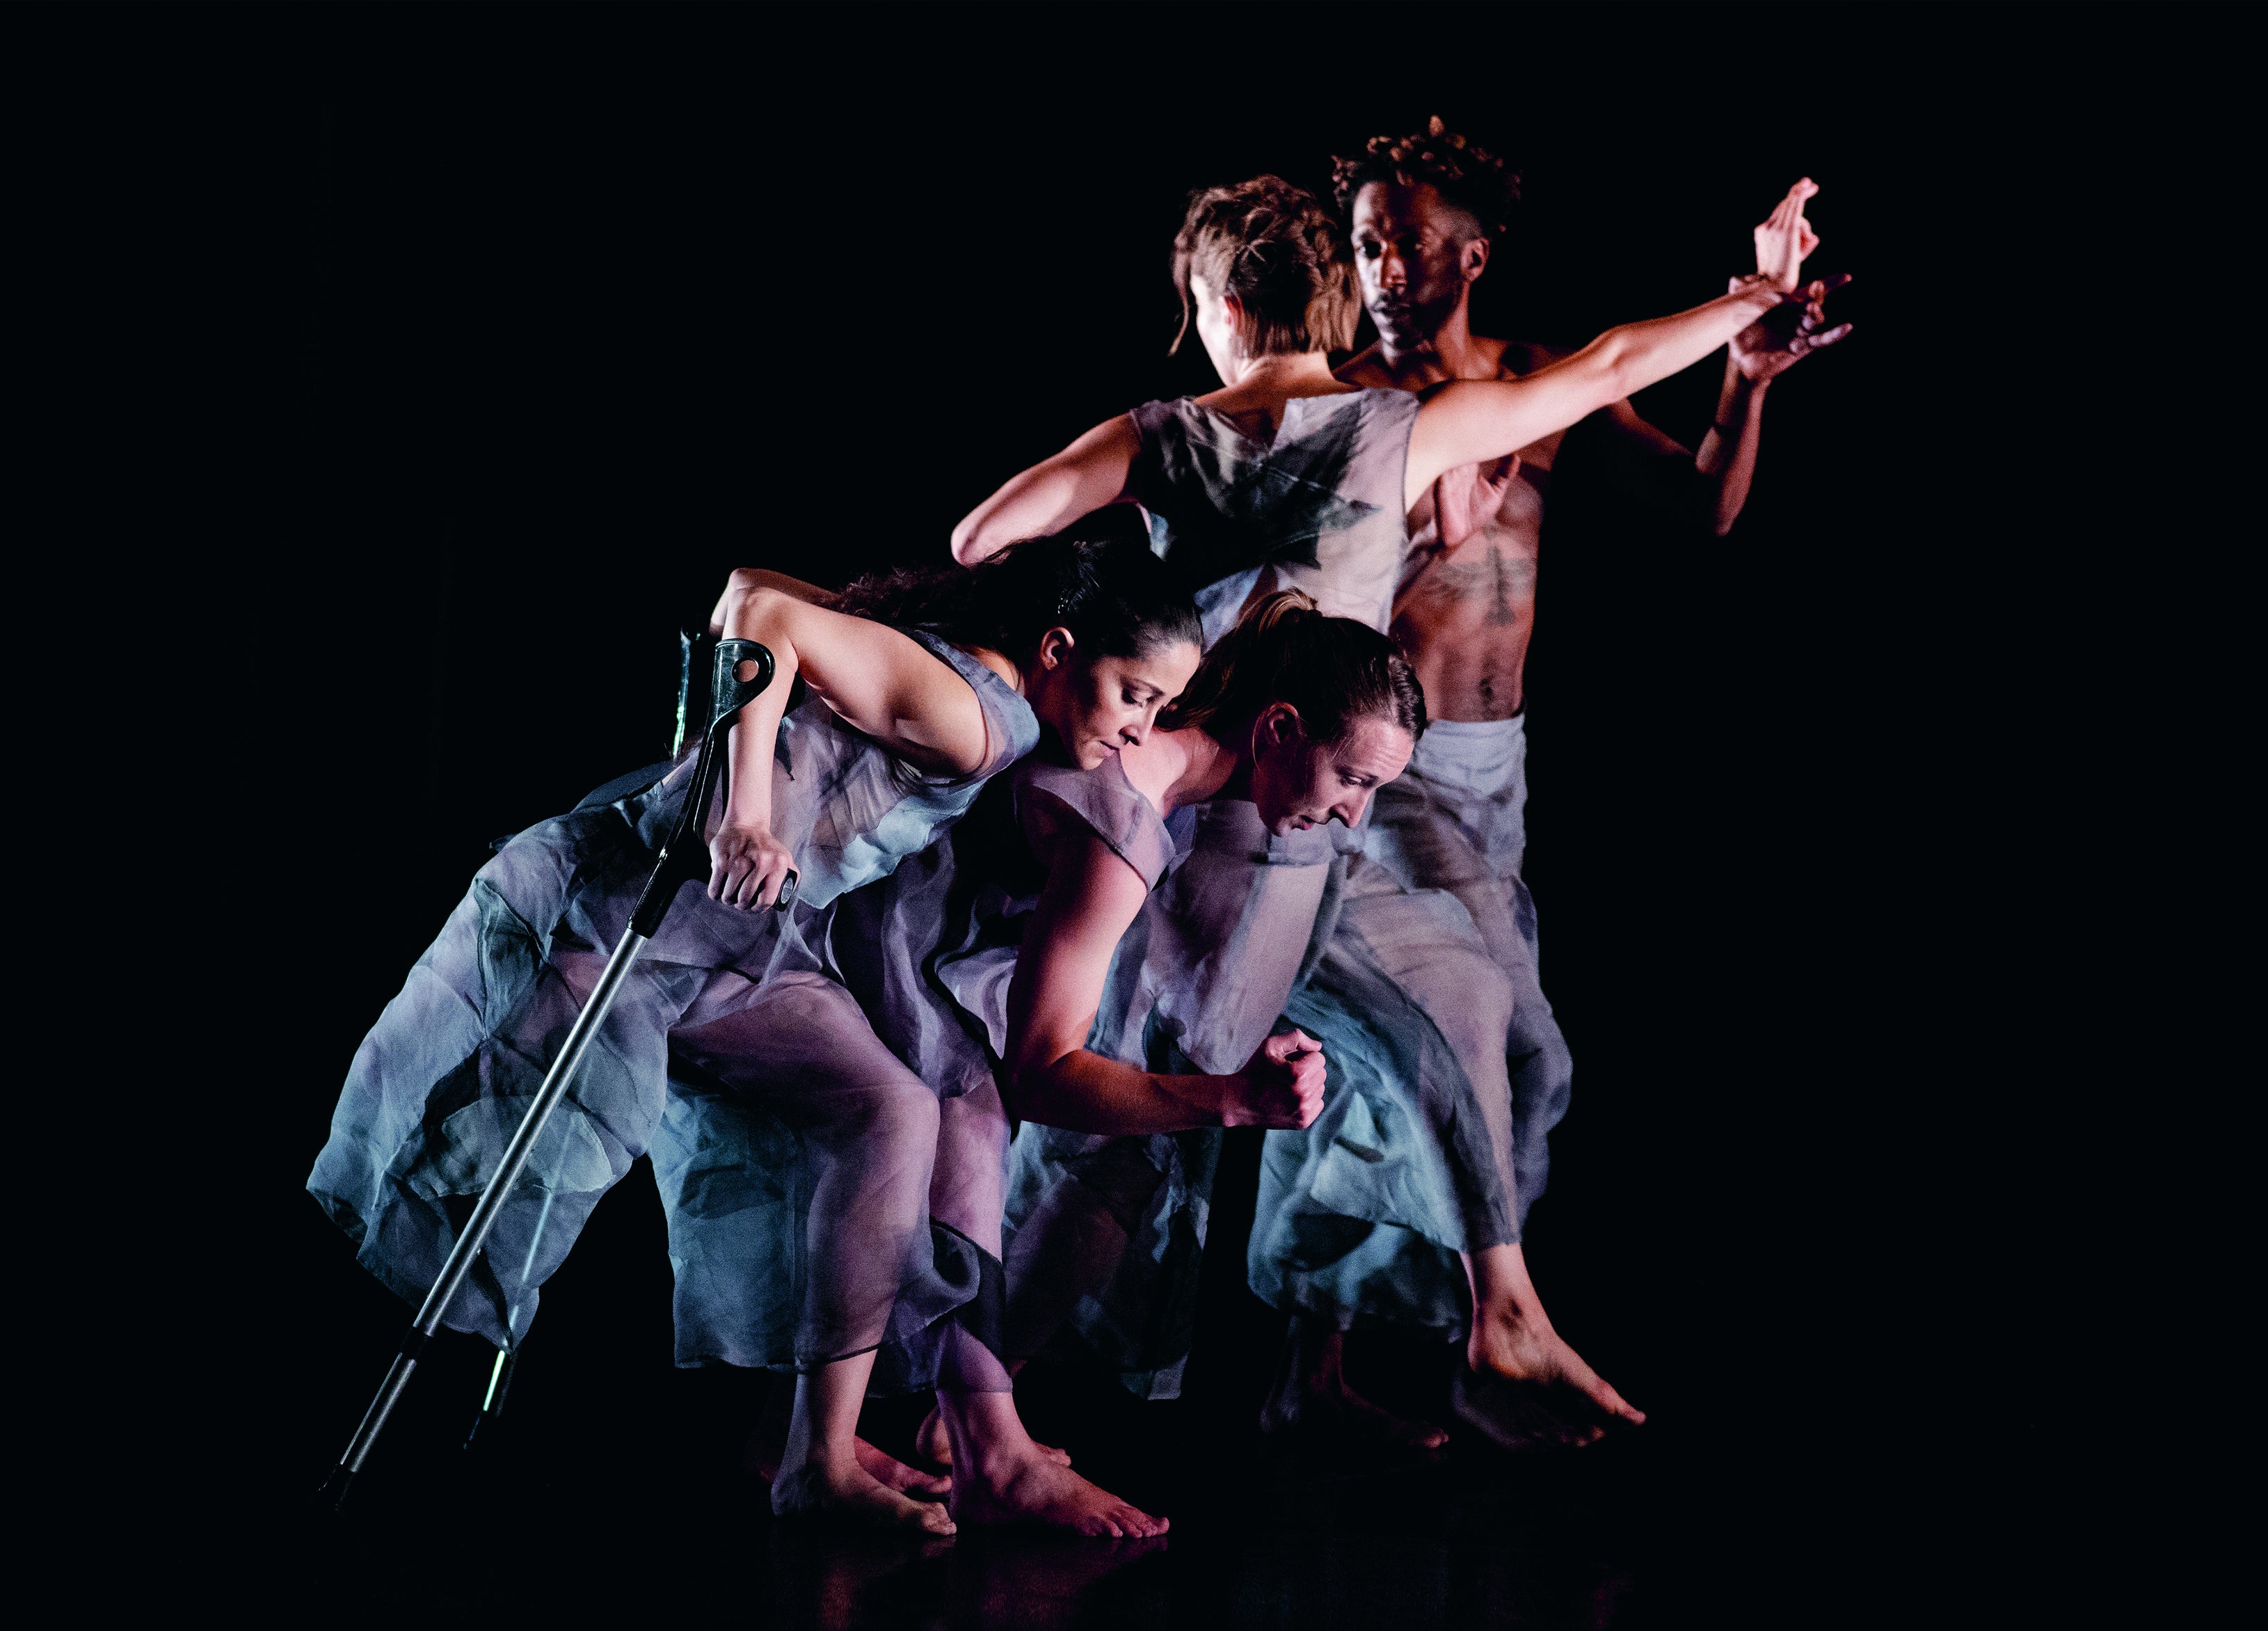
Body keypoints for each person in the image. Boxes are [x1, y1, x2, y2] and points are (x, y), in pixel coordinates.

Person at [952, 174, 1842, 1446]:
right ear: (1325, 296)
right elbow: (1611, 364)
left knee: (1423, 1012)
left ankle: (1488, 1316)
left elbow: (981, 538)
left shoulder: (1165, 434)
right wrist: (1753, 293)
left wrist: (1121, 607)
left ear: (1218, 303)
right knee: (1134, 1134)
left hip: (1273, 828)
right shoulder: (1400, 431)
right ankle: (974, 1417)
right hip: (1247, 833)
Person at [308, 536, 1201, 1535]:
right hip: (631, 917)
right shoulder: (972, 718)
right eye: (1136, 695)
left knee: (888, 1109)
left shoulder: (962, 673)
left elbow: (749, 588)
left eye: (1164, 708)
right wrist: (745, 816)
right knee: (480, 1160)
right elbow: (762, 619)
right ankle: (340, 1406)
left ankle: (814, 1457)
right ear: (1058, 649)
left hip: (741, 945)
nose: (1141, 728)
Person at [1313, 122, 1849, 1444]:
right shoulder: (1344, 396)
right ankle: (1480, 1332)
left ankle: (1331, 1365)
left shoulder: (1531, 382)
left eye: (1410, 243)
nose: (1384, 268)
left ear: (1474, 255)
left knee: (1414, 1051)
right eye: (1367, 244)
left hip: (1496, 769)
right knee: (1484, 1032)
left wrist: (1747, 382)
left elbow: (1704, 508)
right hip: (1387, 766)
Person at [918, 591, 1426, 1527]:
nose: (1354, 817)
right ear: (1278, 728)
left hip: (921, 967)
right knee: (954, 1119)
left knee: (1068, 1127)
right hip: (841, 952)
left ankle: (884, 1438)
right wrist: (1229, 1098)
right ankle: (980, 1448)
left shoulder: (1176, 783)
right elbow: (1040, 1071)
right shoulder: (1128, 809)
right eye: (1351, 779)